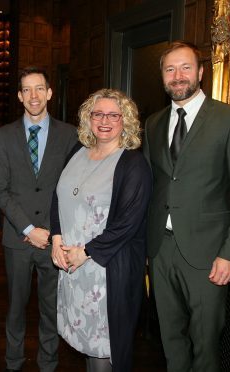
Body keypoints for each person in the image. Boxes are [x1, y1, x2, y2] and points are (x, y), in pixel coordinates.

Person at [143, 41, 230, 372]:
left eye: (185, 67)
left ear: (201, 72)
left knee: (205, 342)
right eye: (169, 69)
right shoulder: (153, 123)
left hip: (209, 254)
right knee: (170, 338)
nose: (178, 76)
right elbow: (151, 186)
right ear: (162, 76)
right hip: (161, 249)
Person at [50, 89, 152, 372]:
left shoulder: (133, 164)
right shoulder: (77, 151)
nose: (104, 121)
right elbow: (58, 196)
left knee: (103, 347)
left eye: (113, 115)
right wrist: (56, 240)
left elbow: (127, 224)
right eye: (98, 114)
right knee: (85, 343)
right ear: (88, 118)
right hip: (71, 266)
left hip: (105, 272)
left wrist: (85, 252)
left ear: (126, 120)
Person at [0, 66, 78, 372]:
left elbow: (72, 188)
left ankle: (48, 364)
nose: (34, 95)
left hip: (56, 239)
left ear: (50, 92)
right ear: (19, 96)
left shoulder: (70, 135)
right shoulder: (4, 135)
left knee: (50, 308)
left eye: (39, 88)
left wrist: (52, 232)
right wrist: (29, 228)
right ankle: (13, 363)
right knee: (15, 307)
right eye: (27, 89)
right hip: (18, 239)